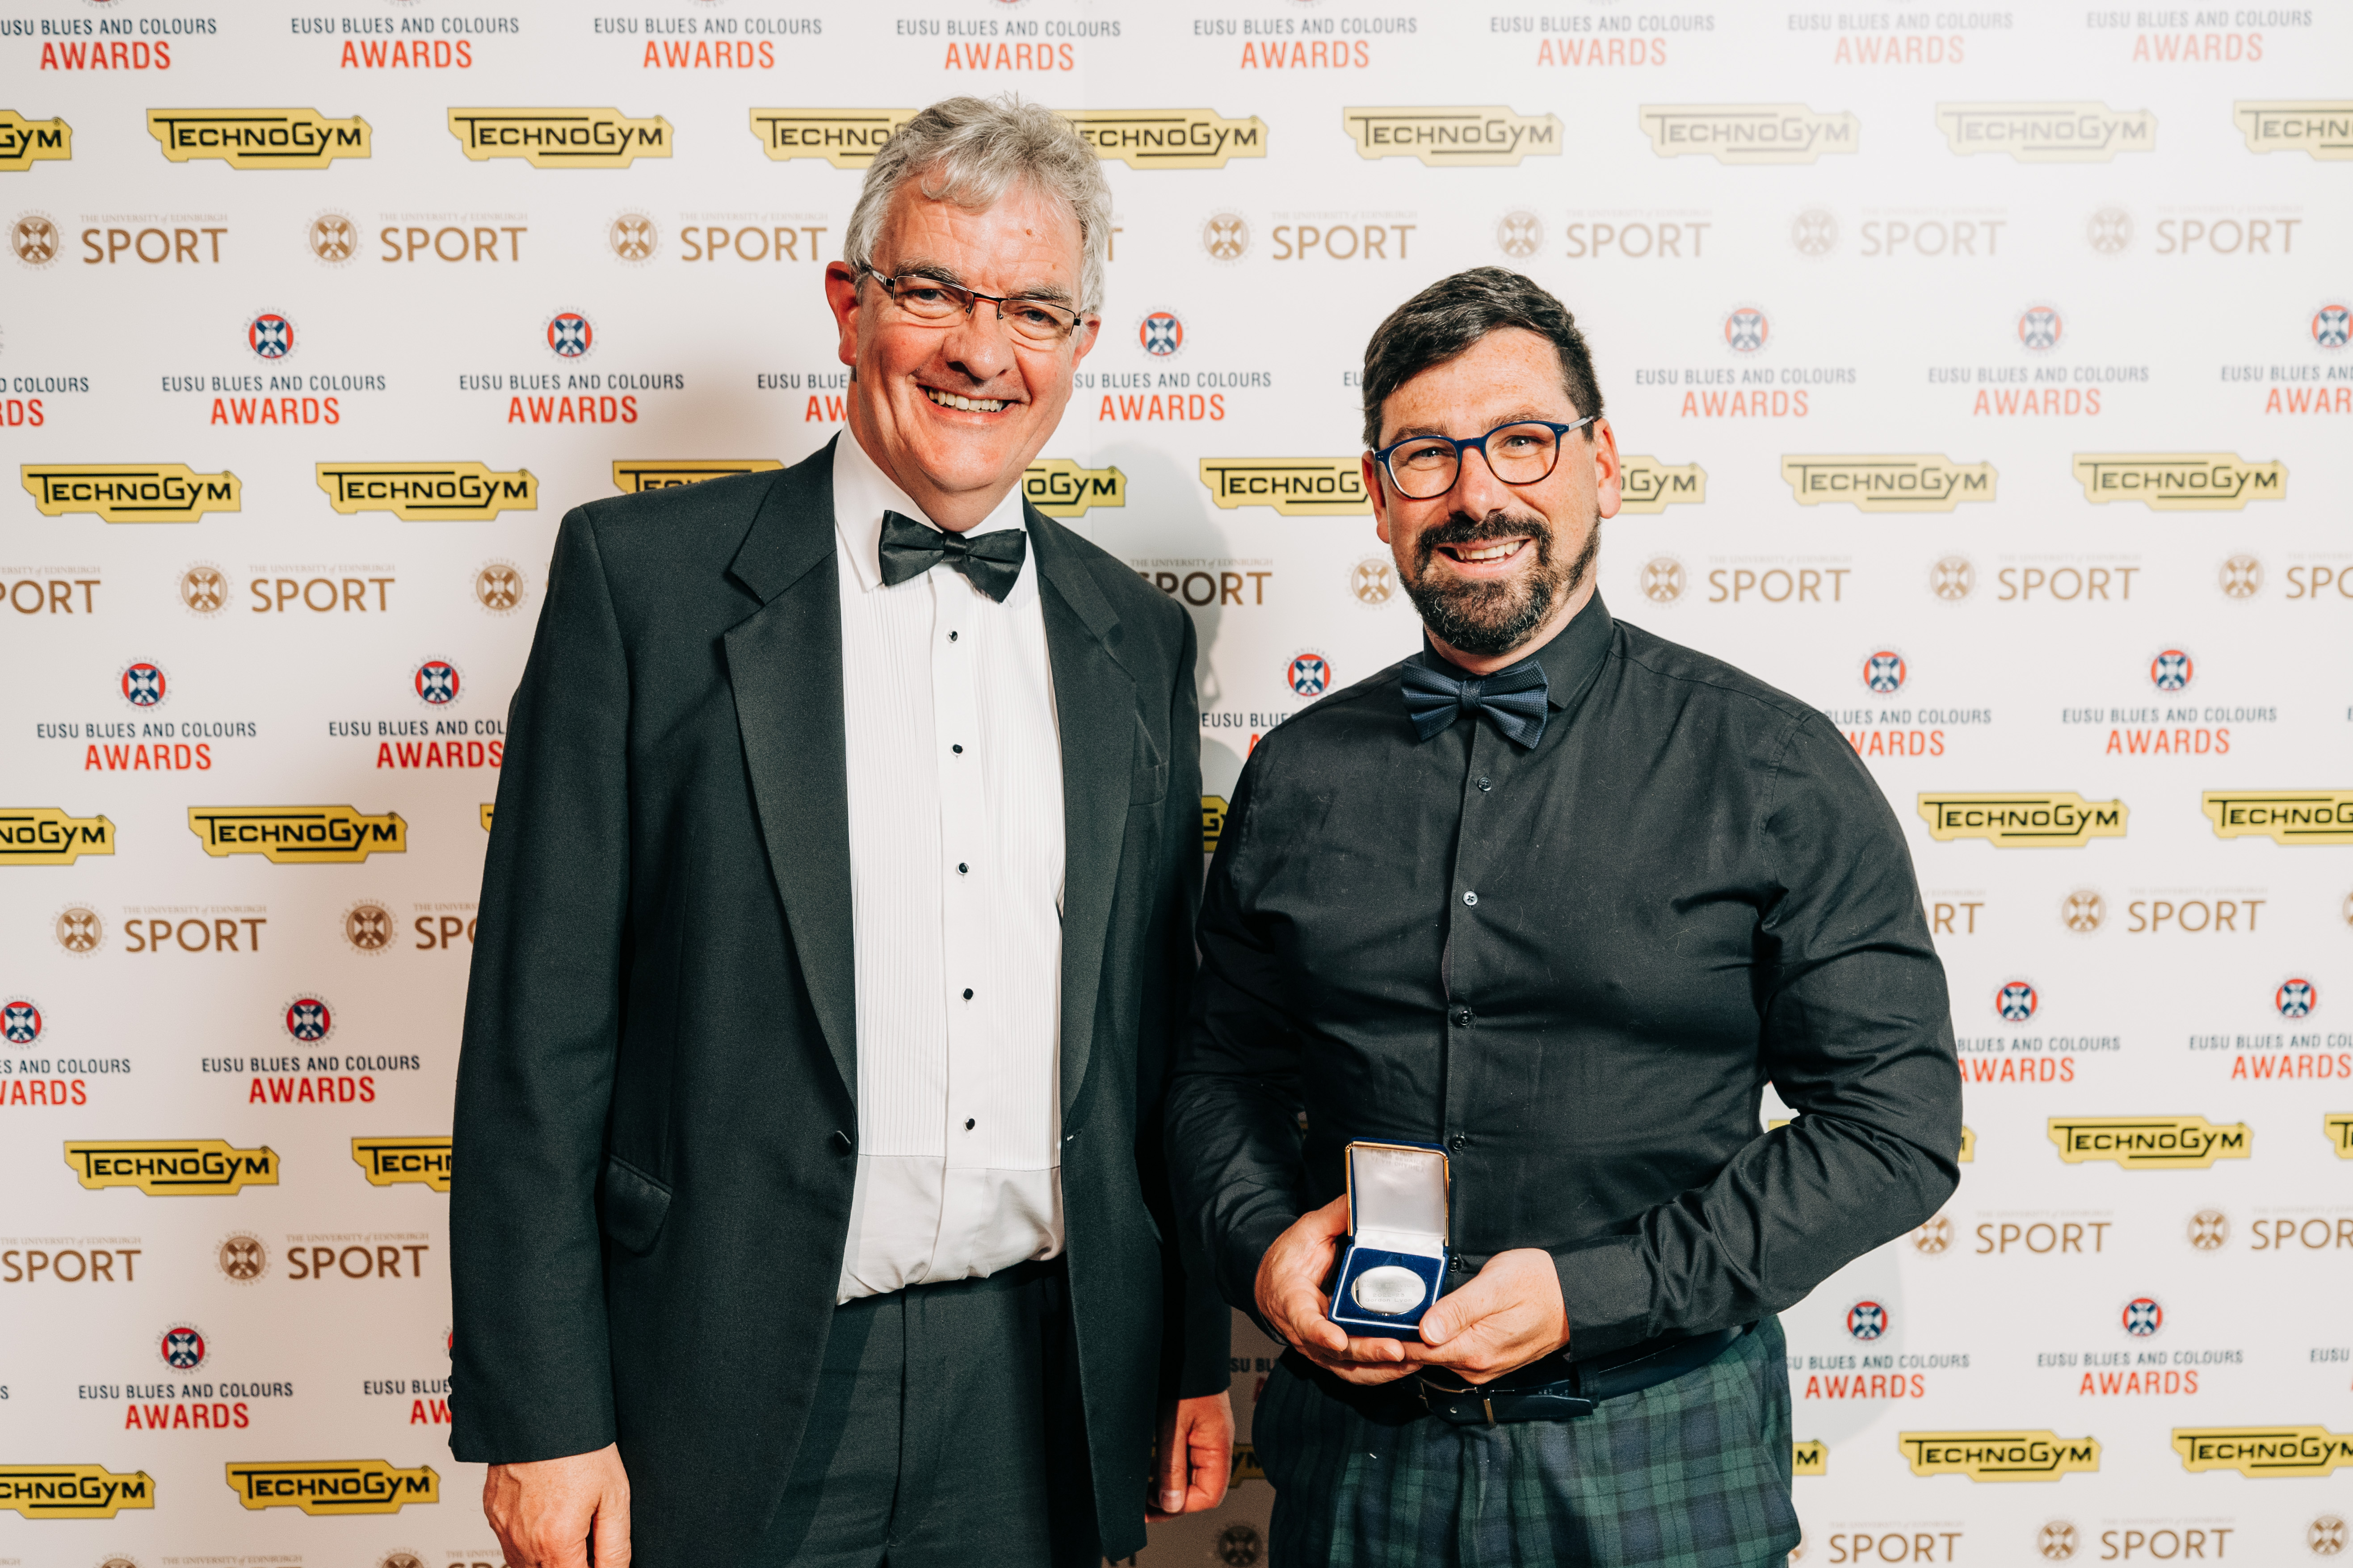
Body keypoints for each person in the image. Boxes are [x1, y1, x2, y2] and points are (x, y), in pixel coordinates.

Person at [450, 96, 1232, 1568]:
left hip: (1041, 1385)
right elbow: (535, 1037)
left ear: (1079, 342)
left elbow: (1156, 1037)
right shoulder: (645, 586)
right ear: (849, 303)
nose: (980, 351)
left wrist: (1189, 1342)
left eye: (1034, 309)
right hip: (719, 1374)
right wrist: (542, 1417)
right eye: (932, 290)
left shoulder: (1134, 633)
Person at [1168, 267, 1962, 1568]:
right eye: (1426, 456)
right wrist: (1257, 1246)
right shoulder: (1298, 772)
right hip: (1352, 1462)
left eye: (1520, 442)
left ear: (1601, 461)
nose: (1477, 495)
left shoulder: (1772, 764)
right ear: (1375, 498)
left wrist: (1592, 1294)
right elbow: (1220, 1075)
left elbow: (1893, 1130)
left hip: (1658, 1449)